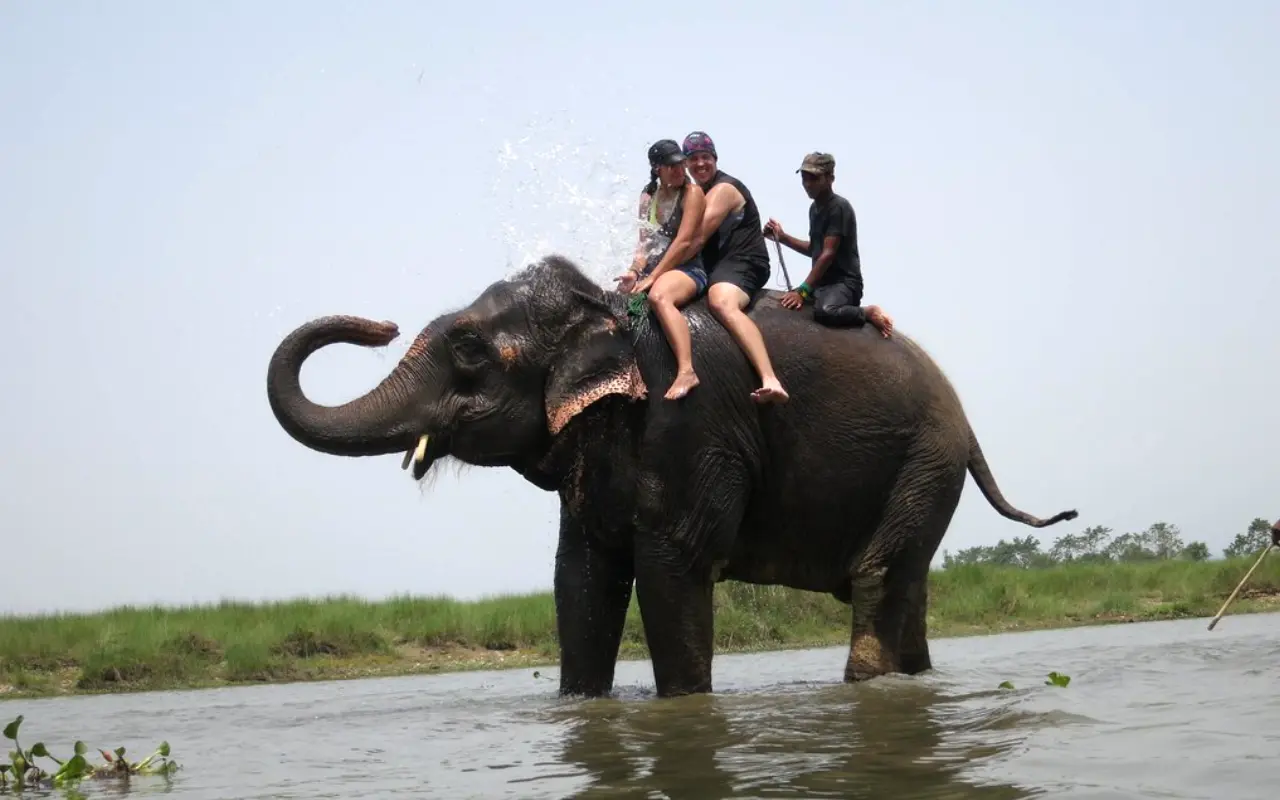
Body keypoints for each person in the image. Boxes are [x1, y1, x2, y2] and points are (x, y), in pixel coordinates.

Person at [679, 131, 790, 405]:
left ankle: (770, 378)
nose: (700, 164)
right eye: (693, 159)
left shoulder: (724, 189)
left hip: (745, 262)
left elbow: (695, 239)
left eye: (705, 157)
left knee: (721, 302)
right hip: (716, 266)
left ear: (715, 159)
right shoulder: (693, 194)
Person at [615, 139, 708, 400]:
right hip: (657, 269)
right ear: (657, 169)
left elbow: (684, 241)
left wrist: (654, 278)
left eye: (681, 164)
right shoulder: (648, 197)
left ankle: (687, 370)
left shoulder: (692, 194)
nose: (680, 171)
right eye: (672, 167)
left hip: (687, 269)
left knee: (659, 297)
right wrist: (634, 272)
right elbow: (644, 245)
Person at [763, 152, 894, 337]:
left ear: (830, 178)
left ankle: (866, 312)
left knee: (825, 311)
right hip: (823, 284)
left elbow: (828, 254)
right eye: (804, 178)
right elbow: (815, 250)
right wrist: (782, 237)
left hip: (843, 283)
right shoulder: (814, 209)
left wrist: (803, 290)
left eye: (814, 178)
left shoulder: (838, 207)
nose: (808, 184)